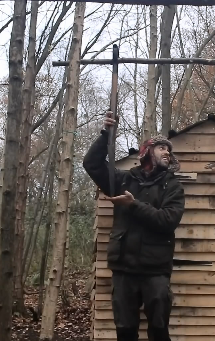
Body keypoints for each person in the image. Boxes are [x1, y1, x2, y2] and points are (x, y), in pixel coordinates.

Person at [83, 111, 185, 341]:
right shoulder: (123, 180)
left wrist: (133, 205)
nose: (167, 152)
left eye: (168, 149)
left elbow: (168, 221)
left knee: (159, 330)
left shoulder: (173, 187)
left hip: (156, 271)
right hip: (124, 271)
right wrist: (105, 135)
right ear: (147, 152)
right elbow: (91, 163)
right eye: (161, 148)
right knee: (125, 331)